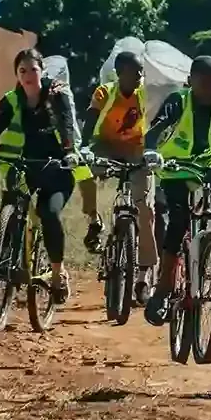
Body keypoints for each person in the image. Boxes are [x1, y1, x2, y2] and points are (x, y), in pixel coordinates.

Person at [0, 48, 83, 305]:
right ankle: (5, 265)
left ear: (42, 71)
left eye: (33, 69)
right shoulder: (13, 99)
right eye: (22, 71)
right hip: (25, 166)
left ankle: (58, 274)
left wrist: (70, 152)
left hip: (57, 168)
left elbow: (67, 124)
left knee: (49, 213)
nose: (28, 75)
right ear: (17, 74)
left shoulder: (57, 94)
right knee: (12, 206)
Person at [142, 56, 211, 326]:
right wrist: (151, 151)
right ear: (190, 82)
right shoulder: (178, 100)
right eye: (203, 83)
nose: (209, 89)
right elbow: (154, 130)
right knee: (178, 220)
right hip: (179, 167)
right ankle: (165, 285)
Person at [79, 50, 158, 303]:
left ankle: (144, 275)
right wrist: (84, 148)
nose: (140, 76)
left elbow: (155, 121)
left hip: (137, 148)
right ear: (121, 72)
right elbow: (91, 120)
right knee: (83, 169)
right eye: (136, 72)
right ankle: (94, 220)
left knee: (144, 207)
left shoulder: (144, 93)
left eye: (141, 72)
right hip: (106, 145)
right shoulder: (104, 92)